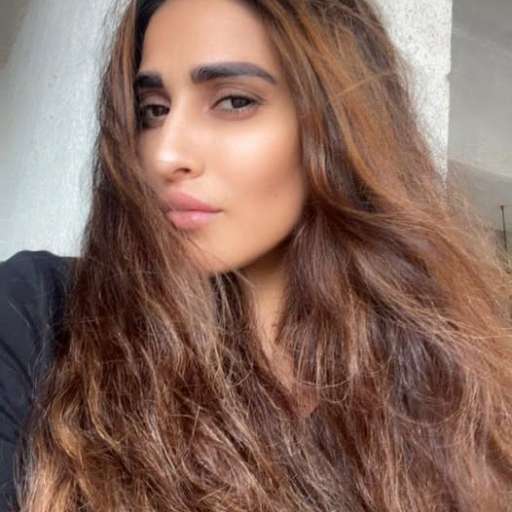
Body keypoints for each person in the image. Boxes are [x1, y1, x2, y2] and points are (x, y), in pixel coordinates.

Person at [1, 0, 512, 510]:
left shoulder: (451, 386)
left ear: (340, 124)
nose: (165, 155)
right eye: (154, 110)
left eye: (233, 101)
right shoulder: (39, 317)